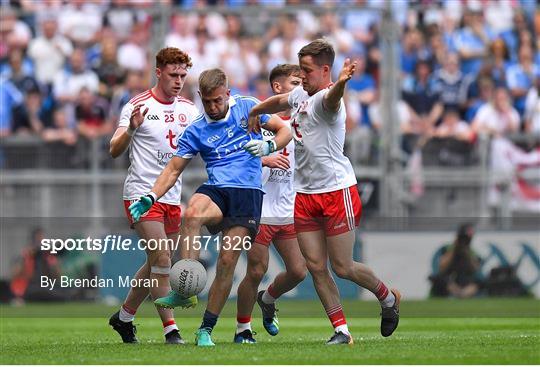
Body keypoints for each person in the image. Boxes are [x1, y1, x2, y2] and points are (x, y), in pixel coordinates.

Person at [247, 39, 400, 345]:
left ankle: (387, 298)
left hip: (335, 190)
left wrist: (341, 83)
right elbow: (280, 102)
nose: (302, 75)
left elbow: (332, 98)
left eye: (306, 70)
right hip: (303, 193)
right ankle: (341, 329)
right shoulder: (302, 93)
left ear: (325, 69)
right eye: (300, 68)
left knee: (343, 267)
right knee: (316, 266)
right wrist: (254, 111)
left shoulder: (330, 102)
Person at [128, 68, 292, 347]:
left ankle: (206, 328)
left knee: (227, 262)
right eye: (207, 102)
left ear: (227, 94)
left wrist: (268, 147)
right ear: (201, 98)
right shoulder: (197, 129)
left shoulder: (248, 107)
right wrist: (151, 196)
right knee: (191, 213)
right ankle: (186, 288)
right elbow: (173, 169)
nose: (213, 107)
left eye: (218, 100)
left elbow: (284, 129)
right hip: (218, 189)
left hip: (248, 193)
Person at [108, 47, 200, 345]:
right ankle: (171, 330)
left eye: (183, 75)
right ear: (158, 72)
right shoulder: (137, 105)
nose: (178, 81)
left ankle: (123, 317)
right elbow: (113, 149)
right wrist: (131, 130)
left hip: (172, 198)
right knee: (162, 260)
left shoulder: (189, 109)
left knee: (154, 265)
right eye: (173, 75)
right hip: (140, 194)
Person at [234, 64, 307, 344]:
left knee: (299, 271)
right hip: (260, 209)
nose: (300, 87)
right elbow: (233, 158)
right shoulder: (259, 120)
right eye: (294, 82)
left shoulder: (302, 123)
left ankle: (268, 298)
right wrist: (264, 158)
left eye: (302, 82)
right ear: (278, 88)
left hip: (287, 209)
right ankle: (243, 328)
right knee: (256, 270)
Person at [429, 223, 482, 298]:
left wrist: (466, 251)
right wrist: (454, 248)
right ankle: (458, 293)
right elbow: (441, 268)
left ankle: (463, 294)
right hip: (449, 281)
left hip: (465, 281)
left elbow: (476, 269)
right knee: (438, 278)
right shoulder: (447, 249)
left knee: (480, 281)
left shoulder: (472, 252)